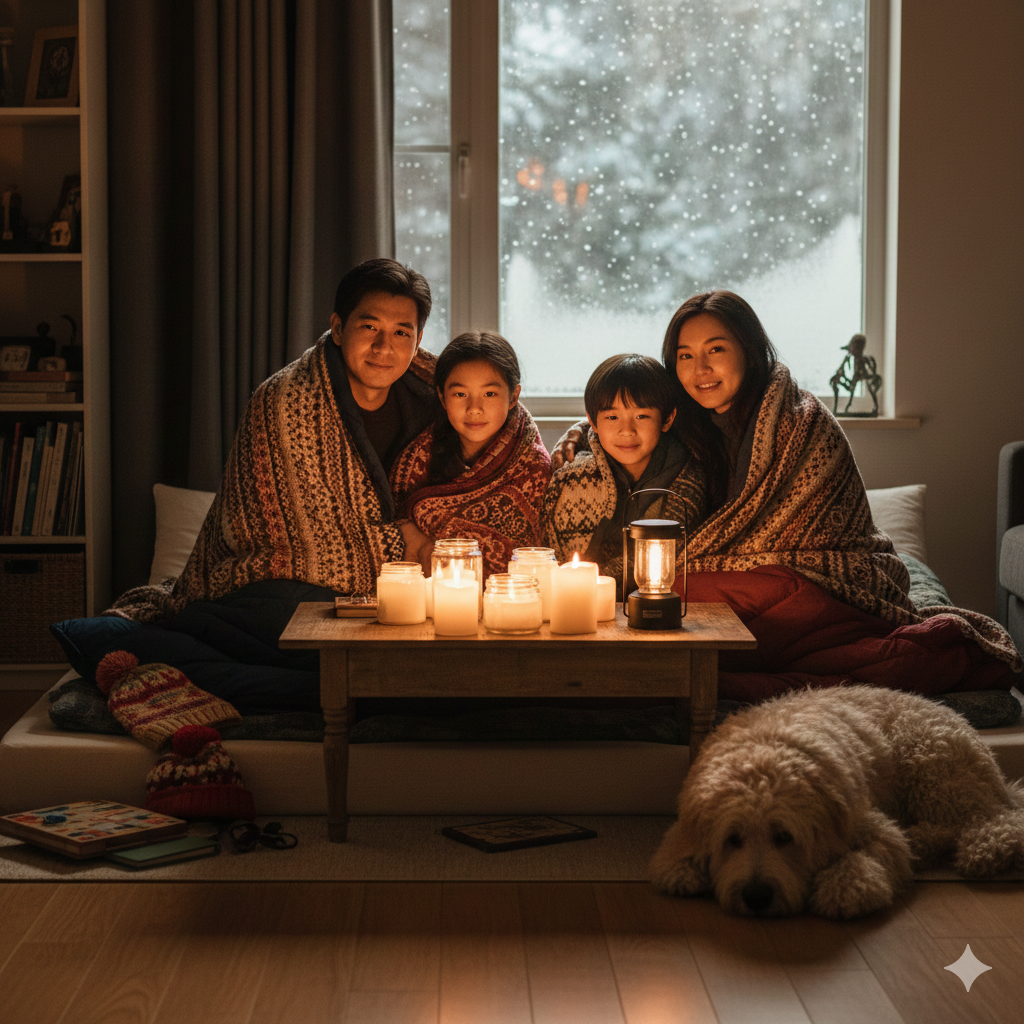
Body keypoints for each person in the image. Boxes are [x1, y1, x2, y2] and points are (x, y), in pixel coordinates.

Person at [112, 257, 441, 621]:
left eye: (401, 332)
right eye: (369, 326)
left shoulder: (439, 399)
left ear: (418, 340)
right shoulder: (286, 401)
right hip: (286, 577)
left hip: (403, 585)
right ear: (337, 327)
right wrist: (404, 543)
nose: (384, 347)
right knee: (287, 610)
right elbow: (295, 539)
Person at [389, 331, 551, 578]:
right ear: (442, 398)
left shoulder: (533, 466)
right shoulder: (417, 457)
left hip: (513, 600)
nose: (474, 408)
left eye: (489, 394)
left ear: (513, 397)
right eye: (460, 394)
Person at [541, 353, 704, 583]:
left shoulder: (686, 480)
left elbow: (669, 560)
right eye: (612, 417)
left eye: (641, 415)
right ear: (593, 421)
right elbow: (555, 558)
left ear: (667, 419)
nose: (627, 430)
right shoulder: (573, 478)